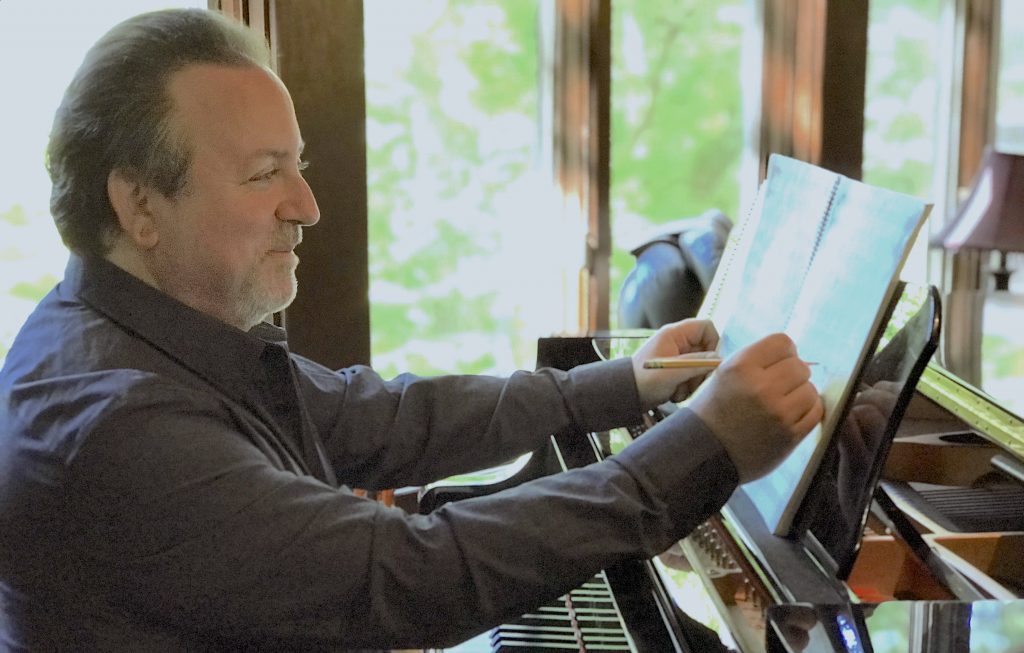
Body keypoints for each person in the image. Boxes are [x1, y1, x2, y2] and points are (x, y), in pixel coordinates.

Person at [0, 8, 823, 652]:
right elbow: (413, 573)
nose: (306, 206)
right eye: (263, 174)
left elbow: (379, 417)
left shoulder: (139, 334)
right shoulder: (118, 425)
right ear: (138, 203)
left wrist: (623, 386)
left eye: (300, 165)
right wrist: (703, 448)